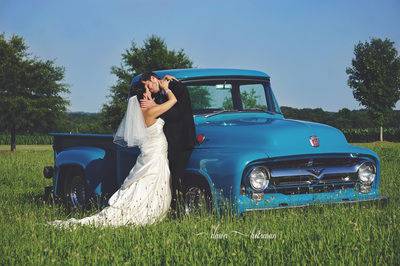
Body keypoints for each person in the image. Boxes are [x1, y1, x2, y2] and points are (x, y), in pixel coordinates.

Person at [48, 78, 177, 227]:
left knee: (144, 183)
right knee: (152, 181)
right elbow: (173, 101)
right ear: (144, 97)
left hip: (151, 153)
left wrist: (154, 102)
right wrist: (167, 88)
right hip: (155, 154)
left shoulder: (141, 112)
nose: (151, 94)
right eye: (148, 92)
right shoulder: (150, 111)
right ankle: (149, 213)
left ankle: (147, 210)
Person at [138, 72, 196, 214]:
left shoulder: (176, 87)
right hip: (165, 144)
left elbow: (177, 115)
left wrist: (155, 105)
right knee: (168, 177)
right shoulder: (157, 95)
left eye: (148, 85)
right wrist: (154, 104)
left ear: (153, 78)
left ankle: (179, 211)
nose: (148, 89)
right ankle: (168, 208)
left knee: (177, 177)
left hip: (181, 141)